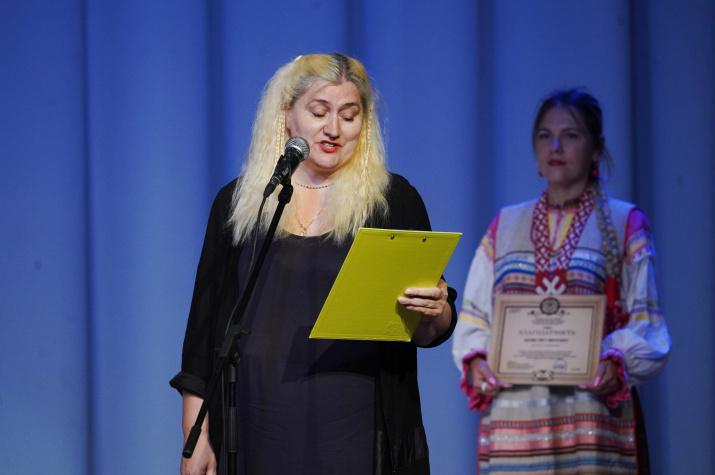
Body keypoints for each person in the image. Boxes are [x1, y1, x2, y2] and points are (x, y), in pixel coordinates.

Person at [170, 53, 458, 475]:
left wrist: (437, 309)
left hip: (358, 429)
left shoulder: (393, 202)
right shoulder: (243, 203)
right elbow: (203, 333)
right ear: (287, 114)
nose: (334, 129)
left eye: (349, 115)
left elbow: (428, 330)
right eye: (319, 112)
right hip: (257, 425)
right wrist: (195, 436)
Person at [452, 89, 671, 474]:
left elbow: (647, 322)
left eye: (570, 135)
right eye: (545, 136)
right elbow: (475, 318)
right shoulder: (506, 225)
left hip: (590, 421)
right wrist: (478, 360)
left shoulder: (625, 223)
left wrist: (615, 361)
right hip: (517, 421)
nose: (555, 146)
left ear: (596, 147)